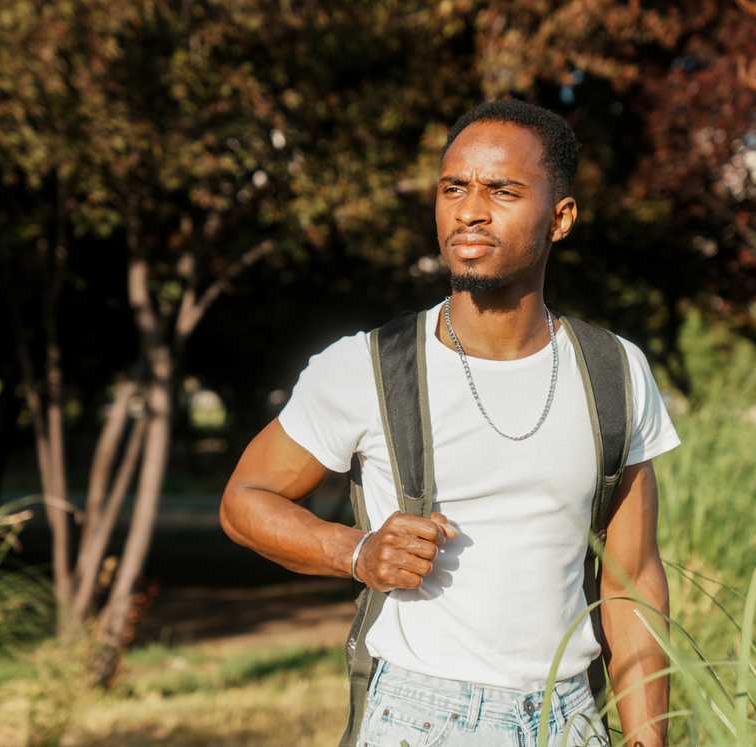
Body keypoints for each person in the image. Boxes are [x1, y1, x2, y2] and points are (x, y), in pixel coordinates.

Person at [220, 99, 679, 747]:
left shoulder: (615, 371)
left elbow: (632, 577)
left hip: (571, 715)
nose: (470, 209)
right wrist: (356, 551)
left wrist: (646, 736)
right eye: (454, 187)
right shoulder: (366, 368)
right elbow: (244, 500)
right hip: (423, 713)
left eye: (503, 190)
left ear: (561, 217)